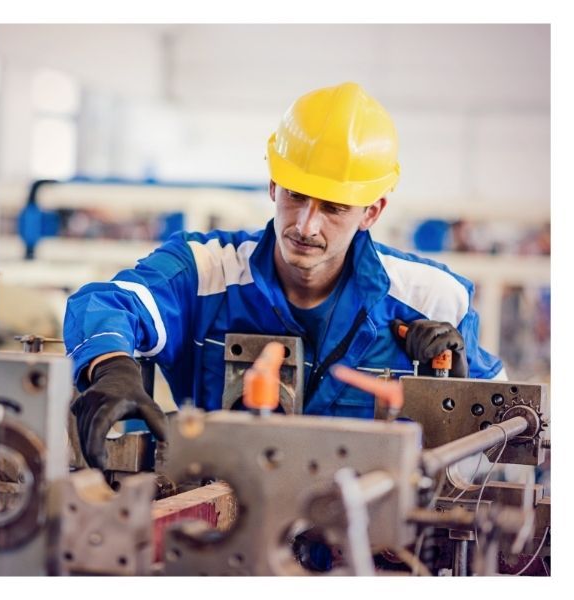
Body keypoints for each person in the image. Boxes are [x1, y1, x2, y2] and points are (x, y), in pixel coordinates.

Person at [64, 82, 505, 469]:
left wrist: (458, 394)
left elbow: (507, 437)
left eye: (333, 207)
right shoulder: (206, 273)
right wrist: (111, 367)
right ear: (274, 184)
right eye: (295, 195)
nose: (305, 226)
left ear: (372, 211)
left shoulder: (430, 299)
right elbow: (108, 302)